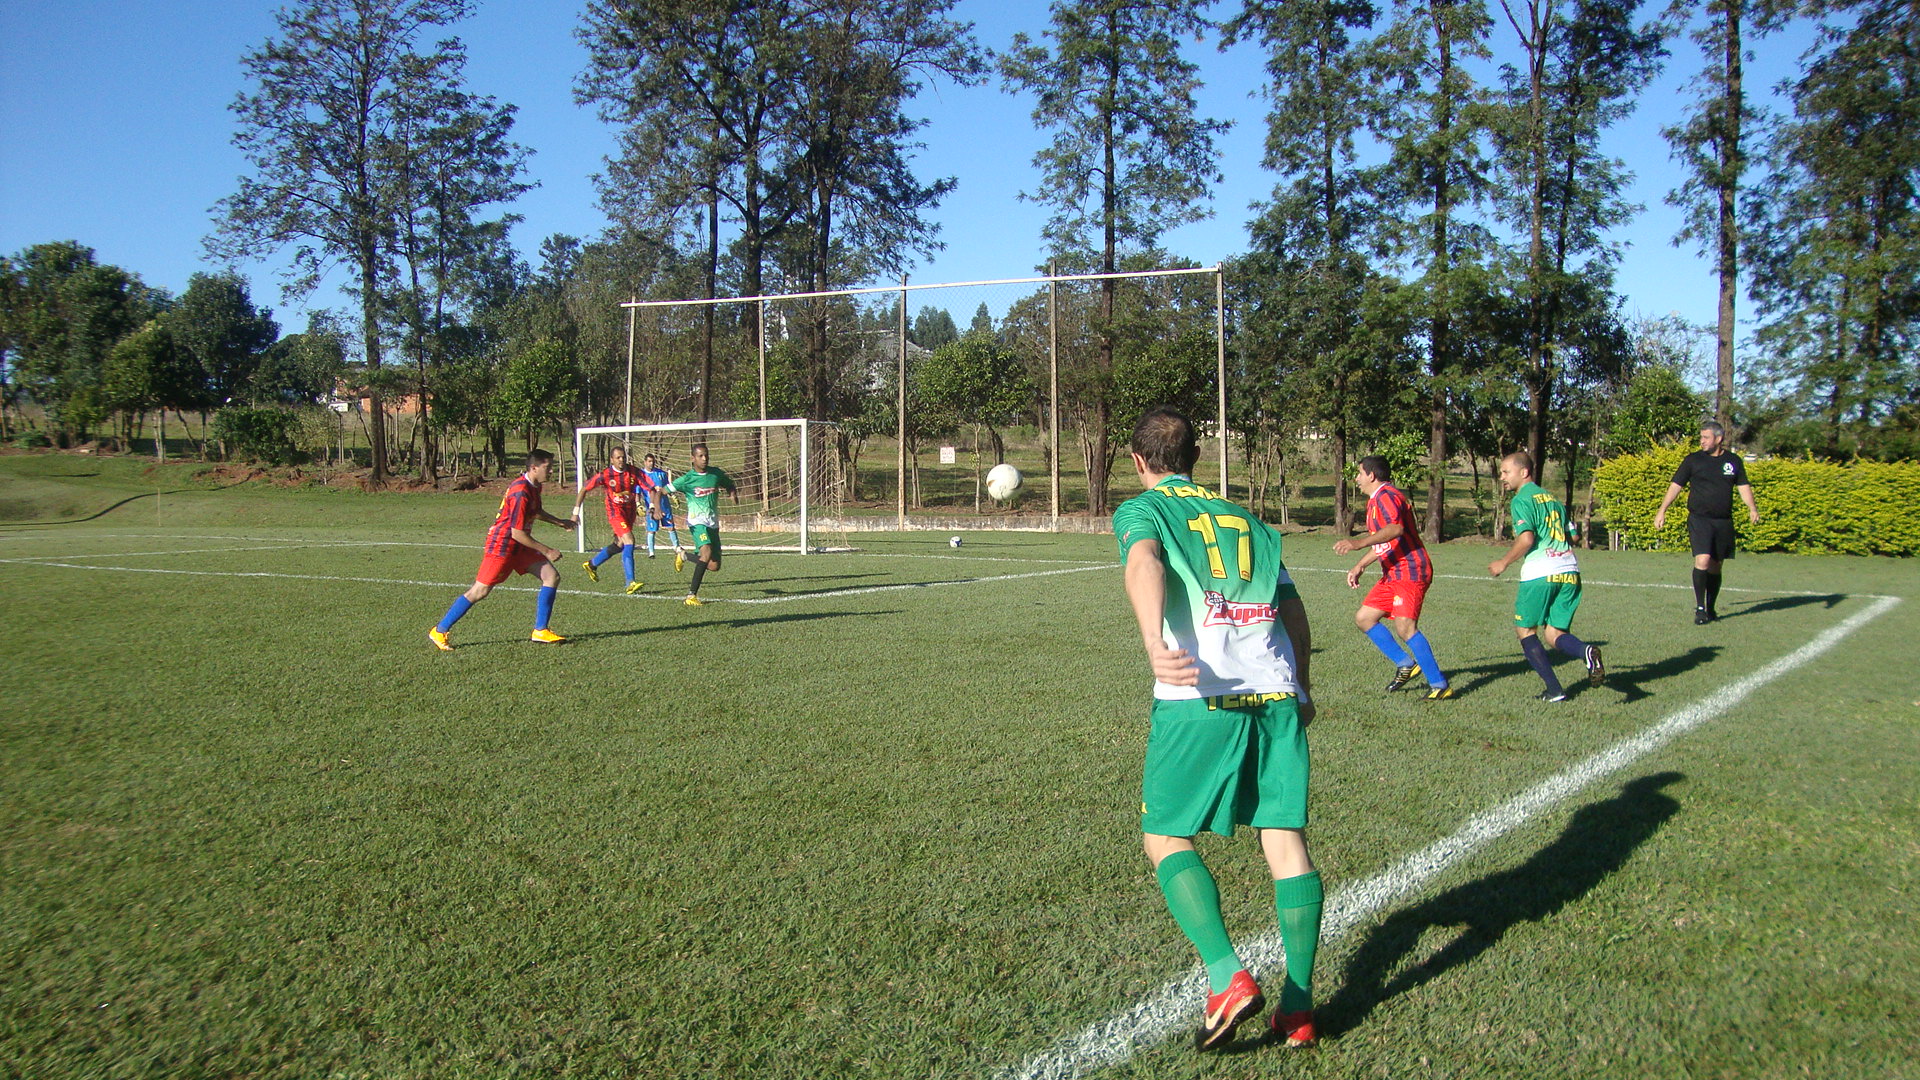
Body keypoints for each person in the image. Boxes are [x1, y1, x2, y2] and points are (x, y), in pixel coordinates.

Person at [1112, 407, 1323, 1052]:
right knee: (1285, 839)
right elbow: (1293, 611)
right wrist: (1303, 684)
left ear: (1139, 460)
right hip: (1276, 692)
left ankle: (1226, 974)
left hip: (1199, 695)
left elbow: (1145, 561)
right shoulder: (1250, 521)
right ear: (1195, 457)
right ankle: (1299, 1009)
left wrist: (1153, 642)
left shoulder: (1145, 509)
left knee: (1163, 834)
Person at [429, 448, 577, 649]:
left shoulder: (534, 486)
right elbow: (517, 533)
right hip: (502, 545)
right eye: (548, 467)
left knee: (551, 576)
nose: (551, 471)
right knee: (480, 590)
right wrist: (547, 550)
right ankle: (439, 631)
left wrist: (560, 522)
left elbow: (535, 511)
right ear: (534, 468)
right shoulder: (520, 492)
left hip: (519, 545)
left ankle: (541, 630)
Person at [1332, 456, 1452, 699]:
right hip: (1393, 572)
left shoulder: (1387, 496)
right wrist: (1361, 565)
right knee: (1365, 618)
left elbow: (1395, 529)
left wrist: (1358, 543)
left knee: (1405, 627)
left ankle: (1440, 686)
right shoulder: (1375, 501)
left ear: (1371, 475)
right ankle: (1406, 664)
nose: (1357, 479)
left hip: (1410, 570)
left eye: (1359, 473)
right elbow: (1386, 541)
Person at [1488, 452, 1604, 701]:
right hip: (1569, 571)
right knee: (1554, 633)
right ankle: (1585, 651)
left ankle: (1554, 690)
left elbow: (1527, 539)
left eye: (1506, 472)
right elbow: (1574, 536)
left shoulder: (1521, 500)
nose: (1502, 477)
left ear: (1524, 472)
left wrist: (1503, 562)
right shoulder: (1553, 499)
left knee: (1525, 630)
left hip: (1541, 572)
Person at [1653, 421, 1761, 624]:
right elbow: (1675, 485)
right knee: (1702, 560)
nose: (1702, 441)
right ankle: (1700, 608)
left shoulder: (1733, 461)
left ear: (1718, 439)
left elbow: (1743, 486)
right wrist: (1662, 510)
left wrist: (1752, 508)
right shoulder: (1693, 460)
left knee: (1715, 566)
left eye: (1706, 437)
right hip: (1699, 519)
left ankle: (1711, 607)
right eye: (1701, 437)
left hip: (1723, 521)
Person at [572, 444, 651, 595]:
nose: (621, 460)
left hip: (629, 512)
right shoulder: (605, 475)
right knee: (629, 540)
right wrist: (575, 512)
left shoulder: (633, 471)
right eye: (618, 458)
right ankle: (630, 582)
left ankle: (592, 564)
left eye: (623, 457)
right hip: (615, 512)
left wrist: (653, 504)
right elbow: (584, 489)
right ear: (612, 460)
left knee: (620, 544)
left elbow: (650, 487)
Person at [669, 443, 736, 606]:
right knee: (706, 553)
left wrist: (732, 493)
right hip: (697, 522)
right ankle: (691, 596)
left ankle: (684, 556)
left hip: (712, 523)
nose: (704, 458)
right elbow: (661, 491)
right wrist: (655, 508)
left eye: (706, 455)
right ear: (693, 458)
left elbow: (729, 484)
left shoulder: (715, 474)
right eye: (700, 456)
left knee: (713, 565)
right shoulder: (687, 479)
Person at [639, 452, 687, 571]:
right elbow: (637, 491)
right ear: (645, 462)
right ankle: (651, 552)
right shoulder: (641, 475)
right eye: (649, 461)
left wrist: (673, 496)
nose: (651, 463)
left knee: (671, 527)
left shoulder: (660, 473)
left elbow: (667, 487)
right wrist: (638, 503)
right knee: (652, 530)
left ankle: (676, 547)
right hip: (652, 507)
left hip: (664, 505)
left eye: (653, 461)